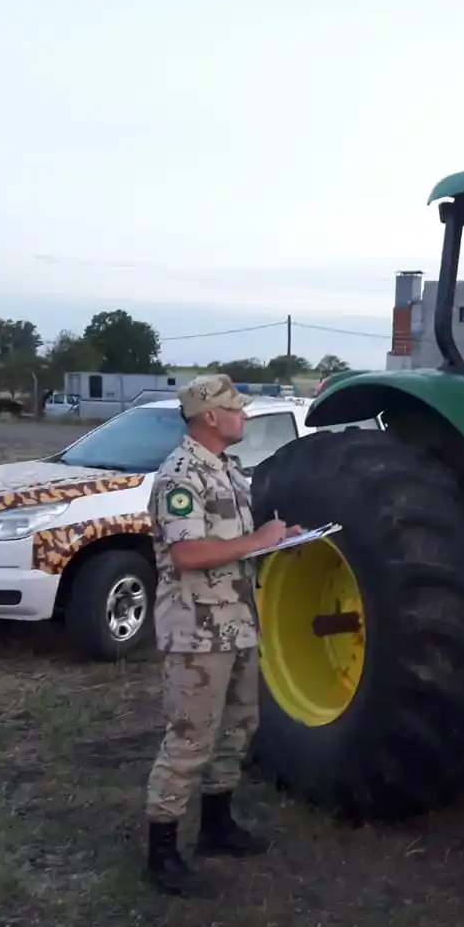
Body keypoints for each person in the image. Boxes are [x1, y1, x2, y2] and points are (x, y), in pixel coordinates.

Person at [143, 373, 300, 896]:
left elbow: (231, 543)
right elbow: (187, 554)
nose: (244, 416)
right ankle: (162, 851)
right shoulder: (180, 475)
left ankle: (216, 825)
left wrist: (278, 540)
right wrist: (258, 539)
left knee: (239, 726)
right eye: (235, 409)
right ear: (209, 416)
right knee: (190, 737)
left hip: (236, 621)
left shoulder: (227, 470)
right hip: (196, 630)